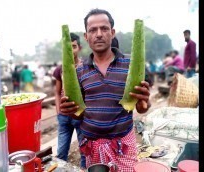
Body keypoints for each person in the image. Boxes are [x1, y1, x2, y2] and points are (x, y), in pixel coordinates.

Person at [59, 9, 151, 171]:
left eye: (104, 28)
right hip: (92, 146)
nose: (99, 34)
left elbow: (141, 107)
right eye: (93, 30)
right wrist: (69, 111)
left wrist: (145, 102)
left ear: (112, 32)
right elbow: (78, 113)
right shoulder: (80, 71)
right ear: (86, 36)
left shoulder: (131, 65)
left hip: (123, 145)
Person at [52, 33, 86, 169]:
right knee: (61, 153)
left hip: (80, 116)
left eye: (74, 46)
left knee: (84, 151)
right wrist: (58, 111)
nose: (71, 50)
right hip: (64, 117)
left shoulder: (86, 67)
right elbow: (57, 92)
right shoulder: (60, 69)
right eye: (67, 47)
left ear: (79, 48)